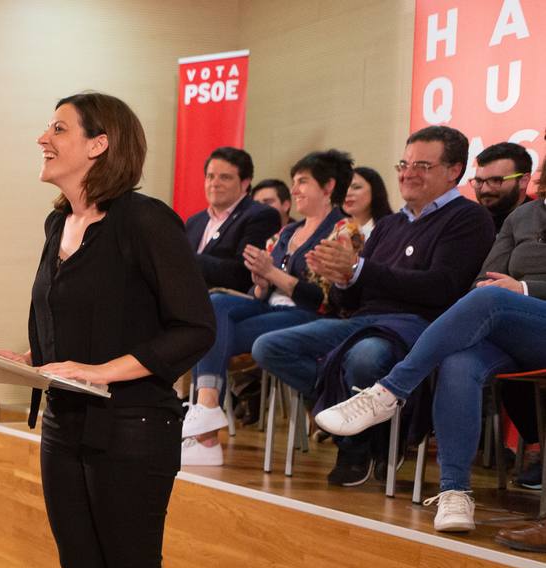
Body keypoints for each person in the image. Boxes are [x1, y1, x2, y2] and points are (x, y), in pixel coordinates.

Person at [0, 92, 214, 568]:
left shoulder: (145, 222)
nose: (42, 138)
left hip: (134, 427)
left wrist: (99, 372)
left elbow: (192, 328)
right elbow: (78, 332)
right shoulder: (60, 223)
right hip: (67, 422)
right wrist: (32, 358)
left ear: (99, 144)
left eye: (57, 128)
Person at [251, 125, 496, 487]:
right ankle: (368, 433)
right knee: (270, 346)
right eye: (404, 163)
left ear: (454, 170)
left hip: (422, 326)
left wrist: (361, 270)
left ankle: (359, 442)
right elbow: (348, 301)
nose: (408, 173)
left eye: (422, 166)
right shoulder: (389, 225)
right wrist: (343, 279)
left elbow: (442, 288)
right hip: (363, 322)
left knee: (364, 358)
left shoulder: (469, 218)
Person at [314, 154, 546, 534]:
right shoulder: (522, 217)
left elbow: (497, 293)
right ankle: (455, 491)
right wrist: (501, 292)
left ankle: (389, 391)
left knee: (491, 300)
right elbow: (482, 281)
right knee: (458, 359)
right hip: (513, 327)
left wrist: (521, 289)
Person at [181, 150, 353, 465]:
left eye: (302, 182)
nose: (296, 190)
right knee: (214, 307)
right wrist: (261, 278)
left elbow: (326, 300)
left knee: (207, 333)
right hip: (269, 308)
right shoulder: (287, 232)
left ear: (328, 187)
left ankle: (205, 432)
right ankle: (206, 417)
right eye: (294, 182)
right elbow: (261, 288)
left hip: (308, 316)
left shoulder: (342, 231)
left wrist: (273, 274)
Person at [183, 147, 284, 292]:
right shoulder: (194, 221)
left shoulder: (261, 216)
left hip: (223, 300)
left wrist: (186, 258)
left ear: (245, 183)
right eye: (210, 176)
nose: (214, 183)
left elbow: (243, 274)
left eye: (224, 177)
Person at [471, 141, 534, 232]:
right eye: (479, 181)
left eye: (496, 180)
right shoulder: (465, 222)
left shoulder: (540, 222)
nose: (484, 190)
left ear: (523, 181)